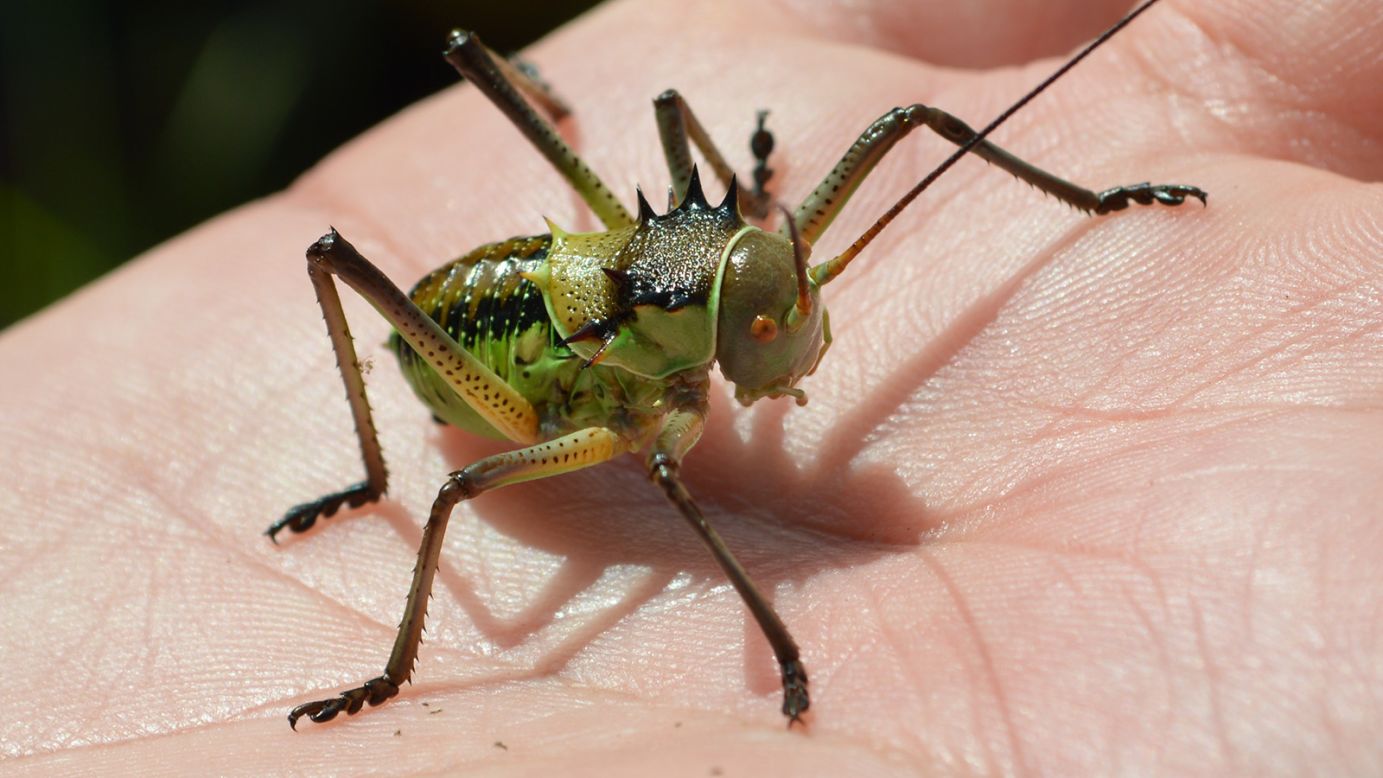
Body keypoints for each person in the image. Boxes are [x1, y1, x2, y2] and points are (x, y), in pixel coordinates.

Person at [3, 0, 1378, 772]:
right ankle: (374, 506)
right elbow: (552, 469)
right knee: (474, 451)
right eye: (771, 306)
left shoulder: (736, 264)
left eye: (777, 289)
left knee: (901, 126)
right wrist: (787, 654)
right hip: (496, 362)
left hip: (628, 277)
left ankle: (1093, 196)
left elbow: (886, 148)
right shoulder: (630, 411)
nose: (795, 322)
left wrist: (1092, 201)